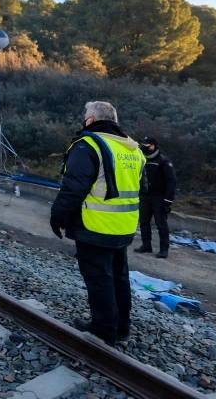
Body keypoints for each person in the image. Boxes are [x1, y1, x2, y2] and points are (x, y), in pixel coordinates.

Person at [50, 101, 145, 346]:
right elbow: (142, 188)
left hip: (95, 226)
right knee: (119, 278)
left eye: (85, 115)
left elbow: (73, 188)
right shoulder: (132, 148)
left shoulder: (88, 145)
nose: (84, 119)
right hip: (124, 227)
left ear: (91, 120)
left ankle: (103, 333)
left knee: (99, 280)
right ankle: (122, 328)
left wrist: (57, 216)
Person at [134, 137, 176, 259]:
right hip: (145, 196)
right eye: (143, 144)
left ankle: (164, 250)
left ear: (153, 146)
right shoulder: (142, 159)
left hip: (159, 197)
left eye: (146, 145)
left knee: (161, 224)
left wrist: (168, 200)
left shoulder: (163, 161)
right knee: (143, 222)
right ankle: (146, 245)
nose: (143, 146)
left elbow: (171, 181)